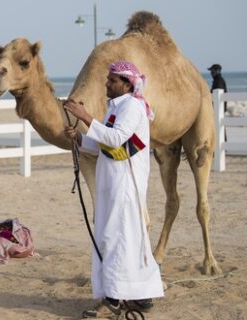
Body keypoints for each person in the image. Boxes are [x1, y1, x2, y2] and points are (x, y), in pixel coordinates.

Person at [63, 61, 164, 319]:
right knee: (127, 237)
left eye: (112, 80)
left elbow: (117, 139)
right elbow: (105, 146)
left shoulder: (131, 107)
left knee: (117, 237)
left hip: (125, 184)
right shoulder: (115, 108)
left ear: (127, 84)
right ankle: (141, 295)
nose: (106, 84)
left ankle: (114, 299)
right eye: (107, 79)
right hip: (113, 182)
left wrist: (85, 116)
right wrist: (80, 138)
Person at [208, 64, 228, 141]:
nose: (211, 73)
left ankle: (222, 144)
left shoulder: (219, 81)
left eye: (212, 71)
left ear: (217, 71)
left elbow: (216, 93)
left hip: (219, 107)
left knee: (219, 126)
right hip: (219, 107)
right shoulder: (217, 80)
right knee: (219, 125)